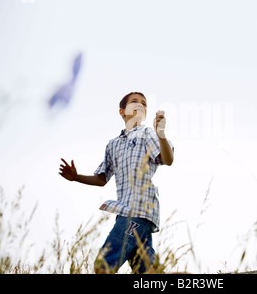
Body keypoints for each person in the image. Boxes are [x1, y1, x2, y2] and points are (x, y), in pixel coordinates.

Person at [59, 92, 174, 273]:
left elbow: (167, 159)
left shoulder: (146, 134)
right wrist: (76, 177)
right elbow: (102, 178)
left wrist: (161, 135)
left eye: (144, 103)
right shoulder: (113, 144)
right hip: (125, 211)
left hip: (138, 210)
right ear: (121, 111)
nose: (140, 105)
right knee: (150, 273)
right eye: (134, 102)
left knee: (103, 266)